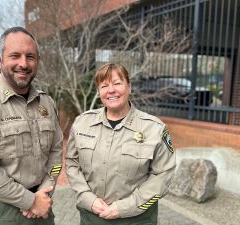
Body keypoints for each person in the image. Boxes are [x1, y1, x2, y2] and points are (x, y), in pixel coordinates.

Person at [0, 26, 63, 225]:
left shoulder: (47, 103)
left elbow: (56, 152)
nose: (23, 64)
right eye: (15, 56)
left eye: (30, 57)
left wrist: (47, 189)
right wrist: (30, 201)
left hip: (43, 205)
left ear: (37, 61)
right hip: (4, 212)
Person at [66, 63, 176, 225]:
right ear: (99, 91)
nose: (111, 90)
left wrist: (126, 207)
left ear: (129, 87)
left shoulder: (154, 129)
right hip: (92, 217)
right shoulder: (82, 123)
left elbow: (164, 175)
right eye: (104, 86)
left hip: (137, 219)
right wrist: (87, 198)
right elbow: (72, 163)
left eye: (117, 83)